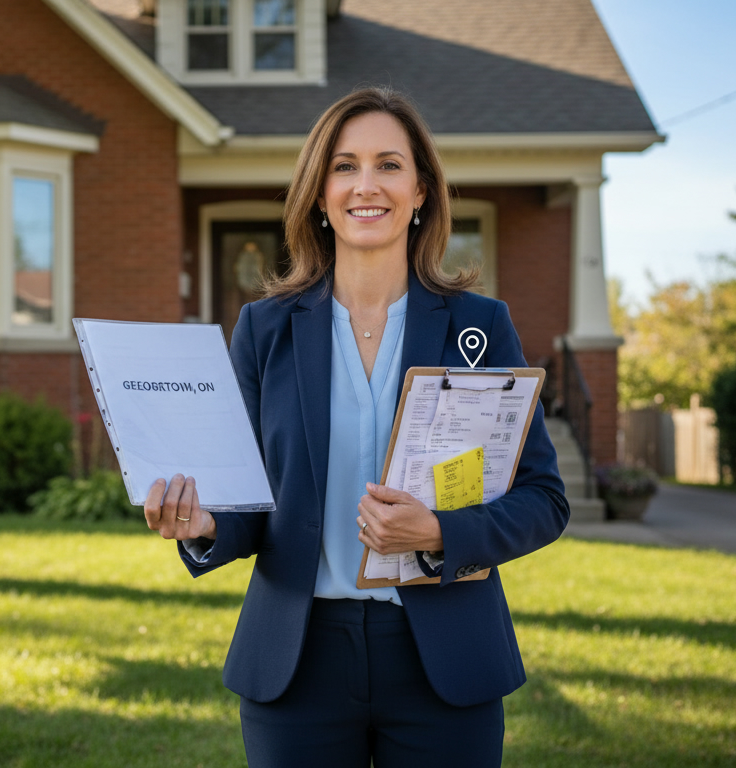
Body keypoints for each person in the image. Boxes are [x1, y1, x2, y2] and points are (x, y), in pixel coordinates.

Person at [142, 87, 569, 768]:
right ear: (318, 193)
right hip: (297, 662)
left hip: (446, 663)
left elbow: (544, 499)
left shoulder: (480, 329)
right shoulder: (265, 330)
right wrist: (207, 525)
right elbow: (249, 503)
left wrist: (440, 532)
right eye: (344, 166)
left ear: (421, 190)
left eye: (388, 165)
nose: (365, 185)